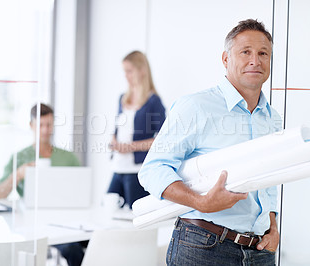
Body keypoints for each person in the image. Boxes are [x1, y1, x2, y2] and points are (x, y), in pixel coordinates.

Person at [138, 19, 282, 265]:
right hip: (203, 246)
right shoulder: (195, 106)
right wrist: (201, 203)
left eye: (263, 53)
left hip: (259, 251)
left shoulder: (272, 118)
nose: (255, 61)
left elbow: (268, 182)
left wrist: (273, 226)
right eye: (245, 52)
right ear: (226, 59)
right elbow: (152, 170)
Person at [0, 103, 86, 266]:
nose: (45, 130)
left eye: (49, 125)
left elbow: (81, 192)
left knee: (84, 245)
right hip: (34, 226)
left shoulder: (68, 157)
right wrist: (19, 174)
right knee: (70, 249)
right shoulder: (20, 157)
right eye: (40, 125)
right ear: (31, 126)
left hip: (66, 223)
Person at [108, 50, 166, 209]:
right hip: (118, 166)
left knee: (135, 213)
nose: (126, 76)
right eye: (124, 71)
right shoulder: (122, 98)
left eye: (129, 71)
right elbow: (118, 127)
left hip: (136, 170)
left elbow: (163, 138)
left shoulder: (153, 101)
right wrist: (114, 141)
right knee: (109, 207)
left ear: (142, 71)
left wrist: (131, 147)